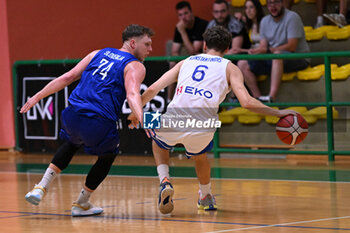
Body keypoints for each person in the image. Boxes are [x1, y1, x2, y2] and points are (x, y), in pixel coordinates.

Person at [128, 26, 296, 214]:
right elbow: (247, 102)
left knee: (156, 138)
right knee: (200, 157)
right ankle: (206, 196)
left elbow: (152, 89)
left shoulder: (186, 61)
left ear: (205, 44)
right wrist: (278, 113)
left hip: (173, 119)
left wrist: (136, 112)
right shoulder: (231, 68)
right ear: (227, 48)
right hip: (204, 126)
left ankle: (164, 180)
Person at [20, 24, 154, 217]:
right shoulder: (135, 65)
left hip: (72, 114)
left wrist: (37, 96)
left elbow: (68, 77)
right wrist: (144, 119)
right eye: (147, 44)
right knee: (108, 155)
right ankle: (81, 203)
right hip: (98, 121)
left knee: (72, 143)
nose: (150, 49)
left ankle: (40, 187)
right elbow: (132, 93)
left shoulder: (97, 53)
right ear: (133, 43)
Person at [237, 0, 310, 103]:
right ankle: (258, 100)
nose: (273, 6)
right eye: (270, 3)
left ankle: (271, 97)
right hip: (274, 59)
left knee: (277, 55)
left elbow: (292, 46)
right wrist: (256, 52)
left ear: (283, 3)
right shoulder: (265, 21)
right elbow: (263, 46)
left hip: (298, 58)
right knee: (242, 63)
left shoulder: (292, 17)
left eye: (276, 2)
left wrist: (267, 50)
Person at [168, 1, 208, 102]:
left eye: (186, 13)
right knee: (172, 64)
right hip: (188, 59)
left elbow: (193, 51)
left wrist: (182, 32)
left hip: (203, 59)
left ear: (191, 13)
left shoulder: (201, 24)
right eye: (180, 15)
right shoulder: (179, 28)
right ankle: (168, 100)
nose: (183, 17)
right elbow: (174, 51)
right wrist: (179, 62)